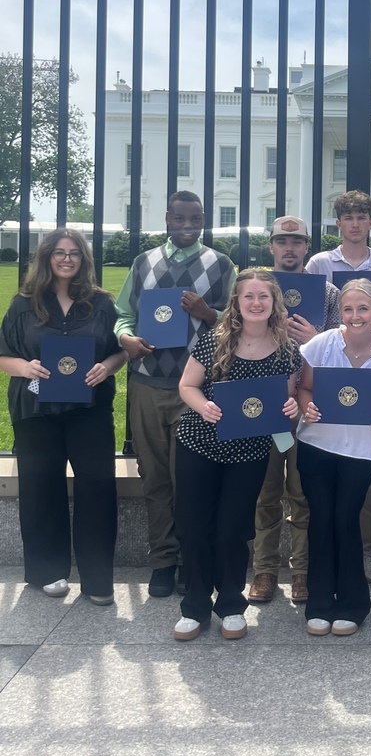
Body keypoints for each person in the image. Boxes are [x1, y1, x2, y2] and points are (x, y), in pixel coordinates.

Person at [114, 191, 236, 598]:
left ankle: (190, 559)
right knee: (154, 478)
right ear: (167, 218)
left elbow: (237, 323)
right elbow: (124, 314)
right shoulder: (143, 262)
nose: (187, 226)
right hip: (148, 382)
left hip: (197, 389)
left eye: (195, 219)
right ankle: (162, 561)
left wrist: (209, 314)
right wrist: (125, 338)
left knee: (190, 480)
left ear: (204, 219)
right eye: (180, 219)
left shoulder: (220, 265)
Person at [0, 229, 127, 604]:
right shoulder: (24, 304)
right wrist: (26, 367)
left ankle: (97, 579)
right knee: (40, 487)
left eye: (74, 253)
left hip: (89, 410)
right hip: (36, 410)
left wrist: (106, 367)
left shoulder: (103, 303)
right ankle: (47, 571)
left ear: (84, 259)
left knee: (98, 488)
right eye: (59, 252)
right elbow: (4, 355)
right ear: (47, 257)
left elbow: (120, 351)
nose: (67, 259)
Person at [173, 270, 301, 641]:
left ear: (275, 303)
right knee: (195, 527)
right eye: (249, 297)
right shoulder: (215, 340)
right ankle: (195, 608)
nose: (257, 303)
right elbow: (187, 385)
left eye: (264, 297)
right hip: (200, 445)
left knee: (233, 529)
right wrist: (203, 407)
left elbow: (287, 399)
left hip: (249, 450)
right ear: (237, 302)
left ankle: (230, 604)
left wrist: (291, 407)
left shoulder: (288, 349)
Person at [296, 279, 371, 636]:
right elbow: (305, 388)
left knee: (345, 521)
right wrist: (306, 408)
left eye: (363, 309)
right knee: (320, 520)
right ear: (340, 312)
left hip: (359, 451)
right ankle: (319, 603)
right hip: (316, 445)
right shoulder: (322, 343)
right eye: (348, 309)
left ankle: (353, 604)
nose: (355, 316)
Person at [305, 190, 371, 585]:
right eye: (348, 216)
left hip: (366, 381)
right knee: (316, 489)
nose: (355, 222)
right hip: (325, 371)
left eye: (362, 216)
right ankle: (316, 562)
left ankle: (363, 553)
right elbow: (310, 312)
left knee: (368, 481)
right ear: (338, 223)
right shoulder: (319, 263)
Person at [248, 215, 340, 606]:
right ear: (271, 246)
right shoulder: (253, 290)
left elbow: (343, 351)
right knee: (265, 493)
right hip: (265, 406)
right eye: (282, 242)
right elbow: (232, 337)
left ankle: (301, 571)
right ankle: (265, 571)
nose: (289, 248)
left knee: (303, 494)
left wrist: (316, 339)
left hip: (309, 407)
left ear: (306, 247)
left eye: (297, 241)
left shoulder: (329, 294)